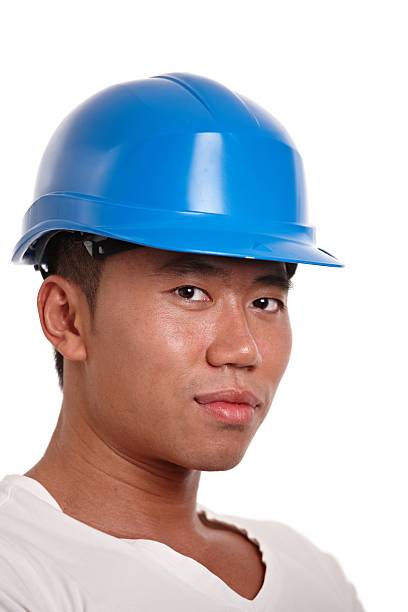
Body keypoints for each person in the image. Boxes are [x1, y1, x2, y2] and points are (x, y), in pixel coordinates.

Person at [1, 72, 366, 611]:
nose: (243, 350)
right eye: (190, 291)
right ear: (68, 318)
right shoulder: (19, 569)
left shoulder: (314, 574)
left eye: (266, 302)